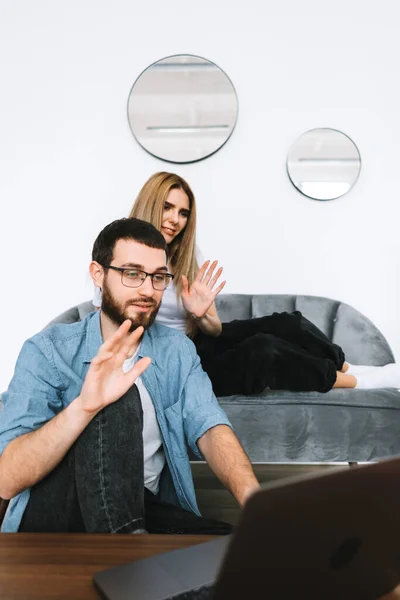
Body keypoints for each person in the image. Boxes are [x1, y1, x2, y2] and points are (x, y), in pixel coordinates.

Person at [0, 218, 260, 533]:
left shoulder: (176, 349)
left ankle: (136, 554)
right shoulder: (48, 350)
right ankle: (133, 557)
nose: (148, 290)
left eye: (159, 277)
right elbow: (6, 479)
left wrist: (254, 499)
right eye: (132, 274)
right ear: (98, 274)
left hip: (144, 507)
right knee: (117, 402)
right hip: (59, 515)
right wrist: (84, 406)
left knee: (238, 551)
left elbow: (210, 427)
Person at [92, 171, 400, 396]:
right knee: (263, 351)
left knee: (288, 323)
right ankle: (359, 383)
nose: (175, 219)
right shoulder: (119, 251)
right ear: (151, 203)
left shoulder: (187, 255)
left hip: (197, 342)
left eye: (183, 212)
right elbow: (104, 324)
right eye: (167, 207)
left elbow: (213, 331)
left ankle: (348, 367)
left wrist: (201, 314)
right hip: (169, 359)